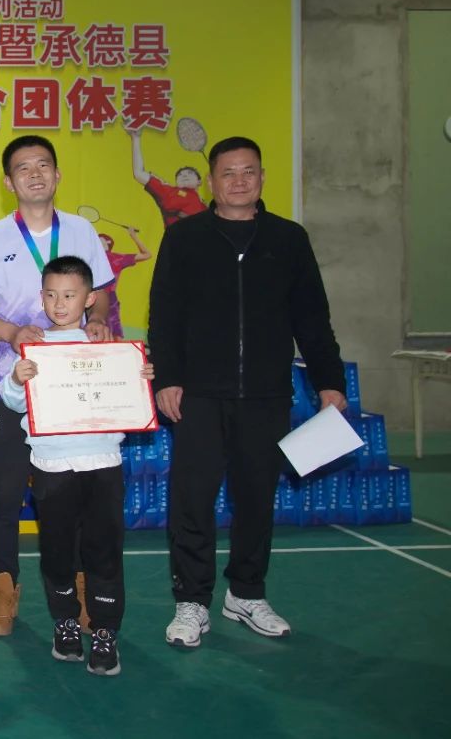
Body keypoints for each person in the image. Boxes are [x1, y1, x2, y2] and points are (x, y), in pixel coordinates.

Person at [148, 136, 346, 647]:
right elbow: (165, 314)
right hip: (198, 395)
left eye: (248, 171)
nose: (239, 181)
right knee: (192, 500)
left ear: (261, 177)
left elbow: (312, 317)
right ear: (211, 181)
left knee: (257, 498)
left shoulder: (289, 239)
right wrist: (168, 377)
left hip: (266, 394)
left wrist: (329, 382)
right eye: (228, 172)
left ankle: (246, 593)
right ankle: (192, 601)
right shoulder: (185, 238)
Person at [0, 135, 115, 637]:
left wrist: (99, 320)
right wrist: (11, 333)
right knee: (5, 496)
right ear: (8, 182)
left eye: (43, 165)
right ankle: (4, 590)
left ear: (57, 174)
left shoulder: (82, 231)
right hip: (12, 383)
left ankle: (80, 589)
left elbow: (103, 293)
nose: (34, 174)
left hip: (72, 384)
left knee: (73, 495)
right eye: (23, 168)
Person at [0, 256, 153, 677]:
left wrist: (141, 378)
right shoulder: (32, 349)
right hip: (51, 466)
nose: (59, 303)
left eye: (69, 295)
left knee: (104, 551)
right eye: (51, 295)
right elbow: (12, 402)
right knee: (57, 551)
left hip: (102, 463)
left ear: (89, 299)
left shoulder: (110, 348)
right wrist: (17, 380)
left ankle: (105, 631)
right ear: (41, 298)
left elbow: (131, 400)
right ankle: (65, 622)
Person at [129, 127, 206, 228]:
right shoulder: (169, 191)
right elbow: (139, 173)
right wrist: (136, 139)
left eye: (190, 173)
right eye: (180, 175)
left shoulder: (206, 206)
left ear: (199, 181)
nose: (184, 175)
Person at [99, 226, 152, 339]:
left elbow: (147, 255)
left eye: (100, 240)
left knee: (113, 332)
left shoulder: (116, 258)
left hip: (106, 298)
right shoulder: (91, 258)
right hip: (95, 297)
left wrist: (133, 236)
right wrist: (133, 235)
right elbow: (147, 254)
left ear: (107, 244)